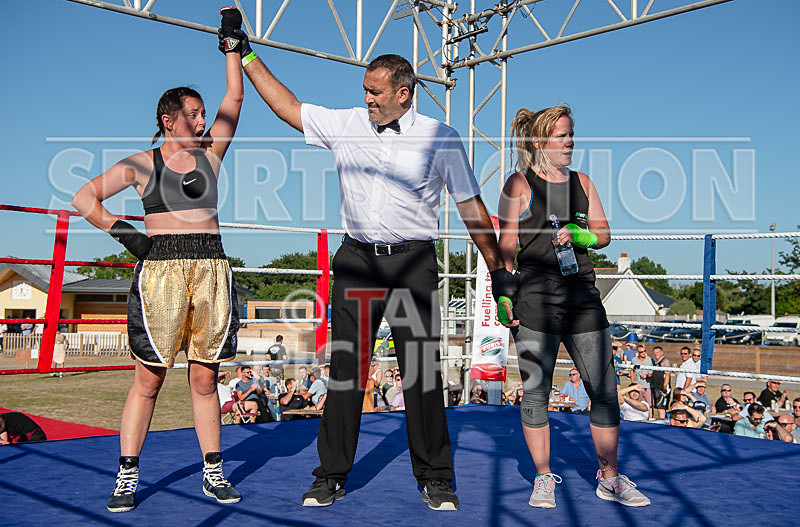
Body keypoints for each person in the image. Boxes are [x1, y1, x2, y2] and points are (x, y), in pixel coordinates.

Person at [229, 26, 515, 510]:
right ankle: (331, 475)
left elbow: (470, 206)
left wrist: (498, 268)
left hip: (412, 264)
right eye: (365, 90)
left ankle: (436, 477)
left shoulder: (440, 138)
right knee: (344, 374)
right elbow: (288, 107)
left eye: (375, 91)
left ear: (403, 94)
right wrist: (247, 53)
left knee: (423, 374)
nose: (366, 99)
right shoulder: (346, 125)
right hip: (358, 261)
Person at [70, 8, 244, 512]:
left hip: (211, 268)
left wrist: (231, 45)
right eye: (192, 113)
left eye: (202, 112)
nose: (202, 119)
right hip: (161, 272)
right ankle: (127, 475)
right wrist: (127, 235)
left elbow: (234, 98)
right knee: (149, 378)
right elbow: (84, 197)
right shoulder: (143, 163)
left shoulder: (212, 154)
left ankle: (213, 471)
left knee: (205, 376)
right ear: (169, 119)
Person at [497, 105, 649, 509]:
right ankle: (544, 477)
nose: (570, 141)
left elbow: (604, 235)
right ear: (539, 141)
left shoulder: (583, 181)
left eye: (571, 134)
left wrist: (583, 236)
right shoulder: (518, 184)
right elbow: (505, 249)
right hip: (535, 301)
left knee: (604, 391)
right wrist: (504, 293)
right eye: (562, 135)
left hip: (583, 297)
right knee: (535, 393)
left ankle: (609, 477)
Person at [650, 346, 670, 419]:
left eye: (657, 352)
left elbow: (667, 375)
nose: (656, 354)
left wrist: (664, 387)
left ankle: (662, 423)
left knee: (661, 407)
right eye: (654, 353)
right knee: (658, 407)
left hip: (662, 388)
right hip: (656, 387)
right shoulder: (656, 363)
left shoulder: (665, 362)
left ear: (662, 353)